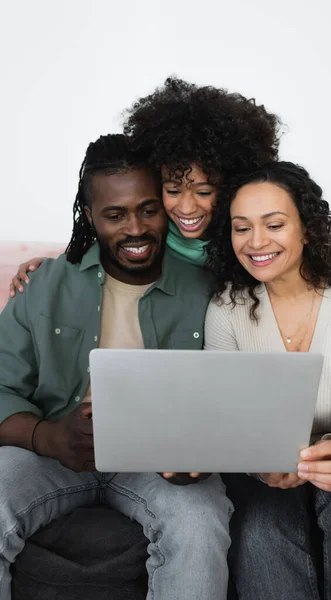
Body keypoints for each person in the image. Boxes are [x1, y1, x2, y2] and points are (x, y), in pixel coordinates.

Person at [0, 134, 233, 600]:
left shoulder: (209, 289)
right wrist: (45, 436)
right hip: (50, 455)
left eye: (148, 209)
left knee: (199, 519)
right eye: (115, 215)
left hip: (159, 464)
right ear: (90, 216)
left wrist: (203, 453)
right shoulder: (45, 285)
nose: (135, 228)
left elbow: (233, 395)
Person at [9, 78, 331, 312]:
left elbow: (303, 252)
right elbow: (107, 249)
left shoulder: (249, 234)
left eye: (204, 191)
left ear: (229, 185)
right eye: (173, 189)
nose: (186, 207)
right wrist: (50, 266)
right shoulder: (155, 234)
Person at [204, 161, 331, 600]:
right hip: (266, 460)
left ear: (306, 229)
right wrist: (260, 460)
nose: (256, 242)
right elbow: (225, 412)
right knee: (260, 530)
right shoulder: (227, 308)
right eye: (241, 228)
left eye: (274, 225)